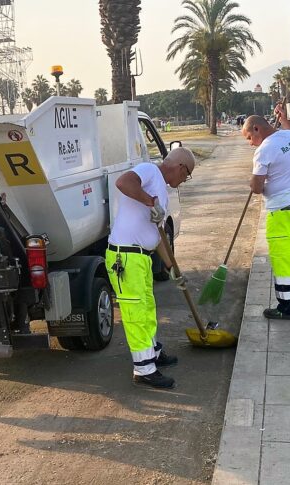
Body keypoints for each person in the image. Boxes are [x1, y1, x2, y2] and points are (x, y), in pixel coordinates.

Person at [107, 147, 196, 388]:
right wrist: (150, 202)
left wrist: (172, 268)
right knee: (136, 313)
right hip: (125, 257)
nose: (183, 181)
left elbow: (157, 239)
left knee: (147, 308)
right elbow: (123, 182)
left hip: (141, 257)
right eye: (186, 175)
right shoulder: (149, 170)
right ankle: (144, 370)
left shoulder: (162, 191)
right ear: (179, 167)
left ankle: (153, 353)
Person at [242, 105, 290, 320]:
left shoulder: (264, 150)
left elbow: (257, 187)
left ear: (257, 129)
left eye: (249, 137)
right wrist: (285, 120)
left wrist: (253, 182)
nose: (250, 143)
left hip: (281, 210)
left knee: (283, 256)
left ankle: (289, 306)